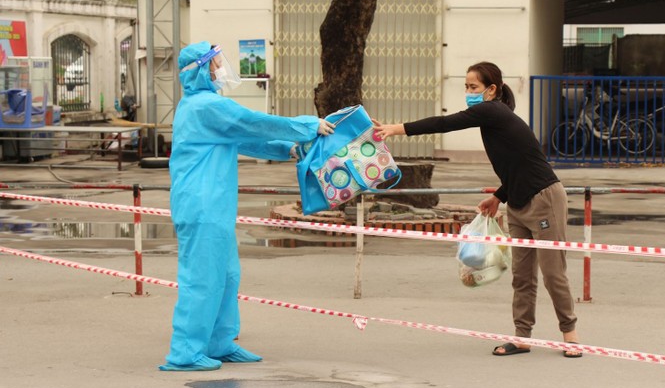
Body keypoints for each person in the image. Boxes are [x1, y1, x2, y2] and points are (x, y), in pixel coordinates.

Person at [374, 61, 581, 358]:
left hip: (544, 198)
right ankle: (522, 337)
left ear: (491, 90)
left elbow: (444, 123)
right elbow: (515, 165)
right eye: (466, 87)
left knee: (553, 273)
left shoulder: (492, 110)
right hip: (518, 201)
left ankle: (570, 335)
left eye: (474, 87)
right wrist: (498, 196)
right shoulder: (493, 120)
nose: (469, 93)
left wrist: (397, 129)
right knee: (522, 276)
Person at [159, 41, 335, 371]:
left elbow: (244, 138)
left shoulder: (207, 108)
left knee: (226, 275)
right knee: (202, 278)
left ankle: (219, 342)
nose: (219, 69)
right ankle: (185, 352)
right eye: (213, 64)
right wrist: (307, 126)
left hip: (215, 207)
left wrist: (290, 150)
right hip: (200, 205)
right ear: (199, 69)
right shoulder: (204, 106)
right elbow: (252, 121)